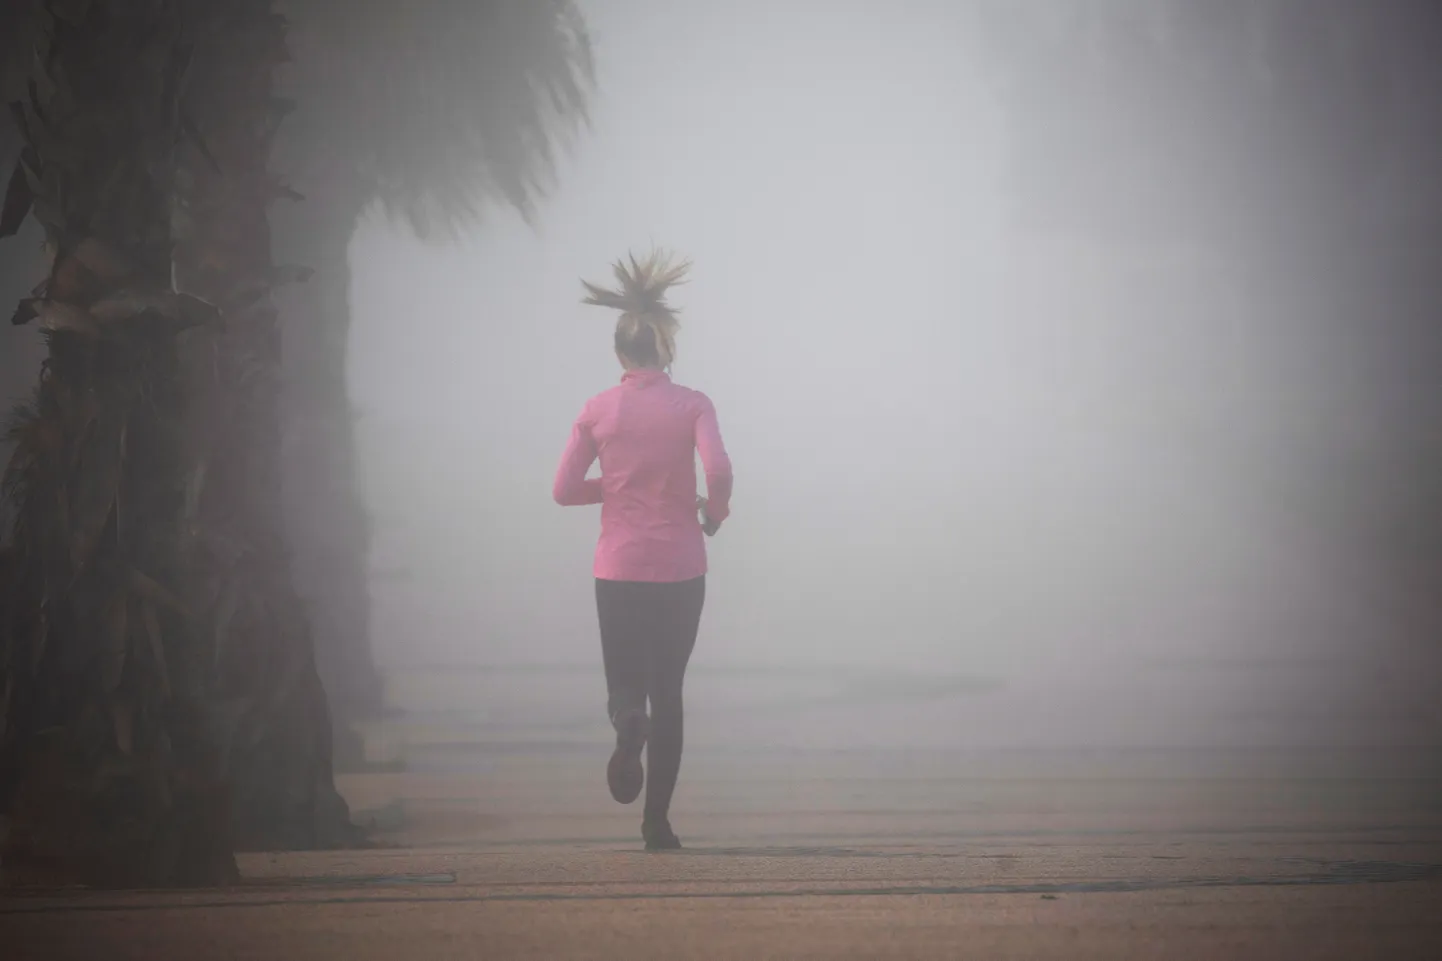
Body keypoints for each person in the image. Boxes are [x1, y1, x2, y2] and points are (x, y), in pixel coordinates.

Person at [552, 250, 733, 851]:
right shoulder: (693, 404)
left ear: (620, 354)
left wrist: (619, 483)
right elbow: (720, 468)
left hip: (619, 569)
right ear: (666, 350)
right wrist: (714, 509)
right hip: (681, 568)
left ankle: (627, 720)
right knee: (670, 691)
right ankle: (657, 823)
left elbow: (562, 491)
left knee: (624, 684)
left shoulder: (599, 409)